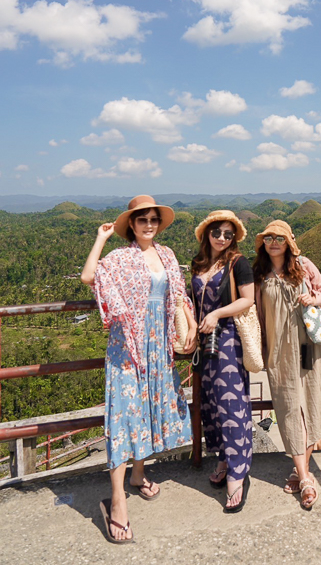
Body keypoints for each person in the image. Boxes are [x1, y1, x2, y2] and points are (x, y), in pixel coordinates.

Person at [81, 195, 196, 543]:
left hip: (158, 344)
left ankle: (137, 476)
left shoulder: (167, 255)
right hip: (128, 346)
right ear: (131, 225)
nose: (149, 225)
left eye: (153, 220)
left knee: (147, 410)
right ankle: (117, 503)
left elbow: (178, 296)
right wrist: (101, 238)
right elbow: (89, 276)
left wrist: (189, 327)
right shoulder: (120, 257)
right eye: (142, 219)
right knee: (123, 415)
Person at [254, 221, 321, 510]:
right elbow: (256, 313)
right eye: (269, 238)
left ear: (289, 241)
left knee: (310, 407)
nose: (274, 242)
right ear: (263, 242)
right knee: (289, 410)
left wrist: (315, 297)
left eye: (280, 238)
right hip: (279, 353)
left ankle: (300, 473)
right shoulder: (260, 273)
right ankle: (304, 474)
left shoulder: (303, 265)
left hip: (309, 348)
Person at [191, 210, 255, 513]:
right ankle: (222, 458)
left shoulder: (237, 263)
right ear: (207, 233)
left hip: (228, 339)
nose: (222, 238)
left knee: (232, 405)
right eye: (217, 232)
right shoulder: (199, 262)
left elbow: (247, 299)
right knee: (211, 405)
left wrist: (216, 314)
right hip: (205, 342)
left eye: (228, 234)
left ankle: (238, 473)